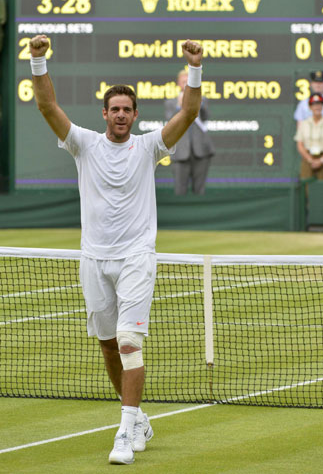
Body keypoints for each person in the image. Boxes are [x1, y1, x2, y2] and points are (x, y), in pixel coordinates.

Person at [29, 34, 204, 464]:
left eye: (128, 110)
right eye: (115, 110)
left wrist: (195, 68)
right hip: (94, 258)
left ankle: (124, 432)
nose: (122, 115)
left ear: (135, 115)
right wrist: (37, 60)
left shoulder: (149, 147)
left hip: (136, 257)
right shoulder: (84, 144)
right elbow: (48, 108)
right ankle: (138, 416)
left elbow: (190, 111)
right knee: (108, 344)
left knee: (128, 340)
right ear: (105, 114)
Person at [164, 69, 215, 195]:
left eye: (190, 81)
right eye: (184, 81)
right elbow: (171, 122)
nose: (187, 84)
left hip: (201, 152)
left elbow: (205, 116)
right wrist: (179, 106)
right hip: (180, 152)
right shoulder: (171, 103)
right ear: (179, 84)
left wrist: (197, 101)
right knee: (179, 191)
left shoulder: (203, 100)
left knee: (199, 191)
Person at [294, 93, 323, 179]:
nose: (317, 107)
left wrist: (322, 160)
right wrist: (309, 158)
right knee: (305, 185)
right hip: (308, 157)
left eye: (319, 104)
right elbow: (299, 144)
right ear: (310, 107)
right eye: (314, 104)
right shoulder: (304, 123)